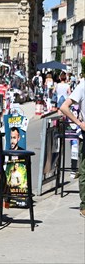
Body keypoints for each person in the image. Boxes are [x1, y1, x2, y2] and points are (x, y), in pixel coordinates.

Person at [58, 77, 85, 218]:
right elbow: (63, 107)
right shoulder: (82, 86)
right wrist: (80, 123)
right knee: (84, 171)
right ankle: (84, 205)